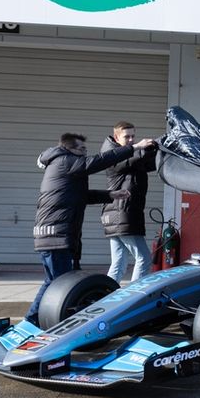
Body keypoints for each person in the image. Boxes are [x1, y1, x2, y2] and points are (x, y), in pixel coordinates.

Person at [27, 132, 155, 326]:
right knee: (62, 286)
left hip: (56, 235)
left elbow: (81, 196)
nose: (85, 153)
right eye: (82, 149)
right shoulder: (65, 161)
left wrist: (111, 195)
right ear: (69, 149)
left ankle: (34, 321)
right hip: (56, 235)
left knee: (56, 282)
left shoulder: (64, 165)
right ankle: (50, 323)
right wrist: (135, 147)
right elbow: (98, 161)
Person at [101, 121, 158, 284]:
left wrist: (159, 148)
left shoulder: (129, 156)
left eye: (133, 136)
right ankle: (134, 295)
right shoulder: (112, 156)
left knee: (119, 262)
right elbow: (134, 158)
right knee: (144, 259)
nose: (131, 140)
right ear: (116, 137)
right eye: (127, 137)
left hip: (118, 214)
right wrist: (142, 147)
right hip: (123, 214)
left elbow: (147, 162)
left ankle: (105, 295)